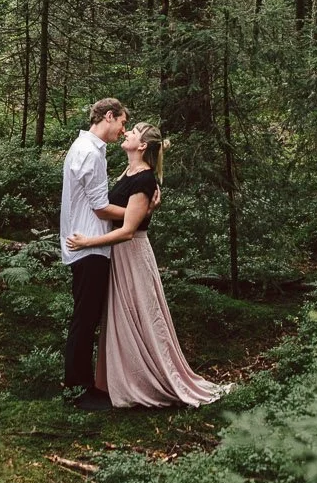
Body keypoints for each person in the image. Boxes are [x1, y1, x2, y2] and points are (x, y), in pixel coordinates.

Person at [66, 122, 227, 409]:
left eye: (134, 130)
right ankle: (120, 378)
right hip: (119, 255)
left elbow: (128, 230)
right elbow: (120, 211)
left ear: (142, 146)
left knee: (141, 313)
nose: (127, 131)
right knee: (122, 317)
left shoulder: (144, 179)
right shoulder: (128, 172)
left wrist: (87, 242)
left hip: (132, 252)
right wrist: (144, 212)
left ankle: (150, 377)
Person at [61, 97, 132, 408]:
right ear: (108, 116)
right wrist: (138, 213)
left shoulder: (86, 149)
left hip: (87, 243)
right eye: (122, 123)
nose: (122, 130)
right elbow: (101, 208)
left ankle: (84, 384)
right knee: (85, 318)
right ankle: (78, 389)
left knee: (86, 316)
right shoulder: (90, 153)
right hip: (88, 245)